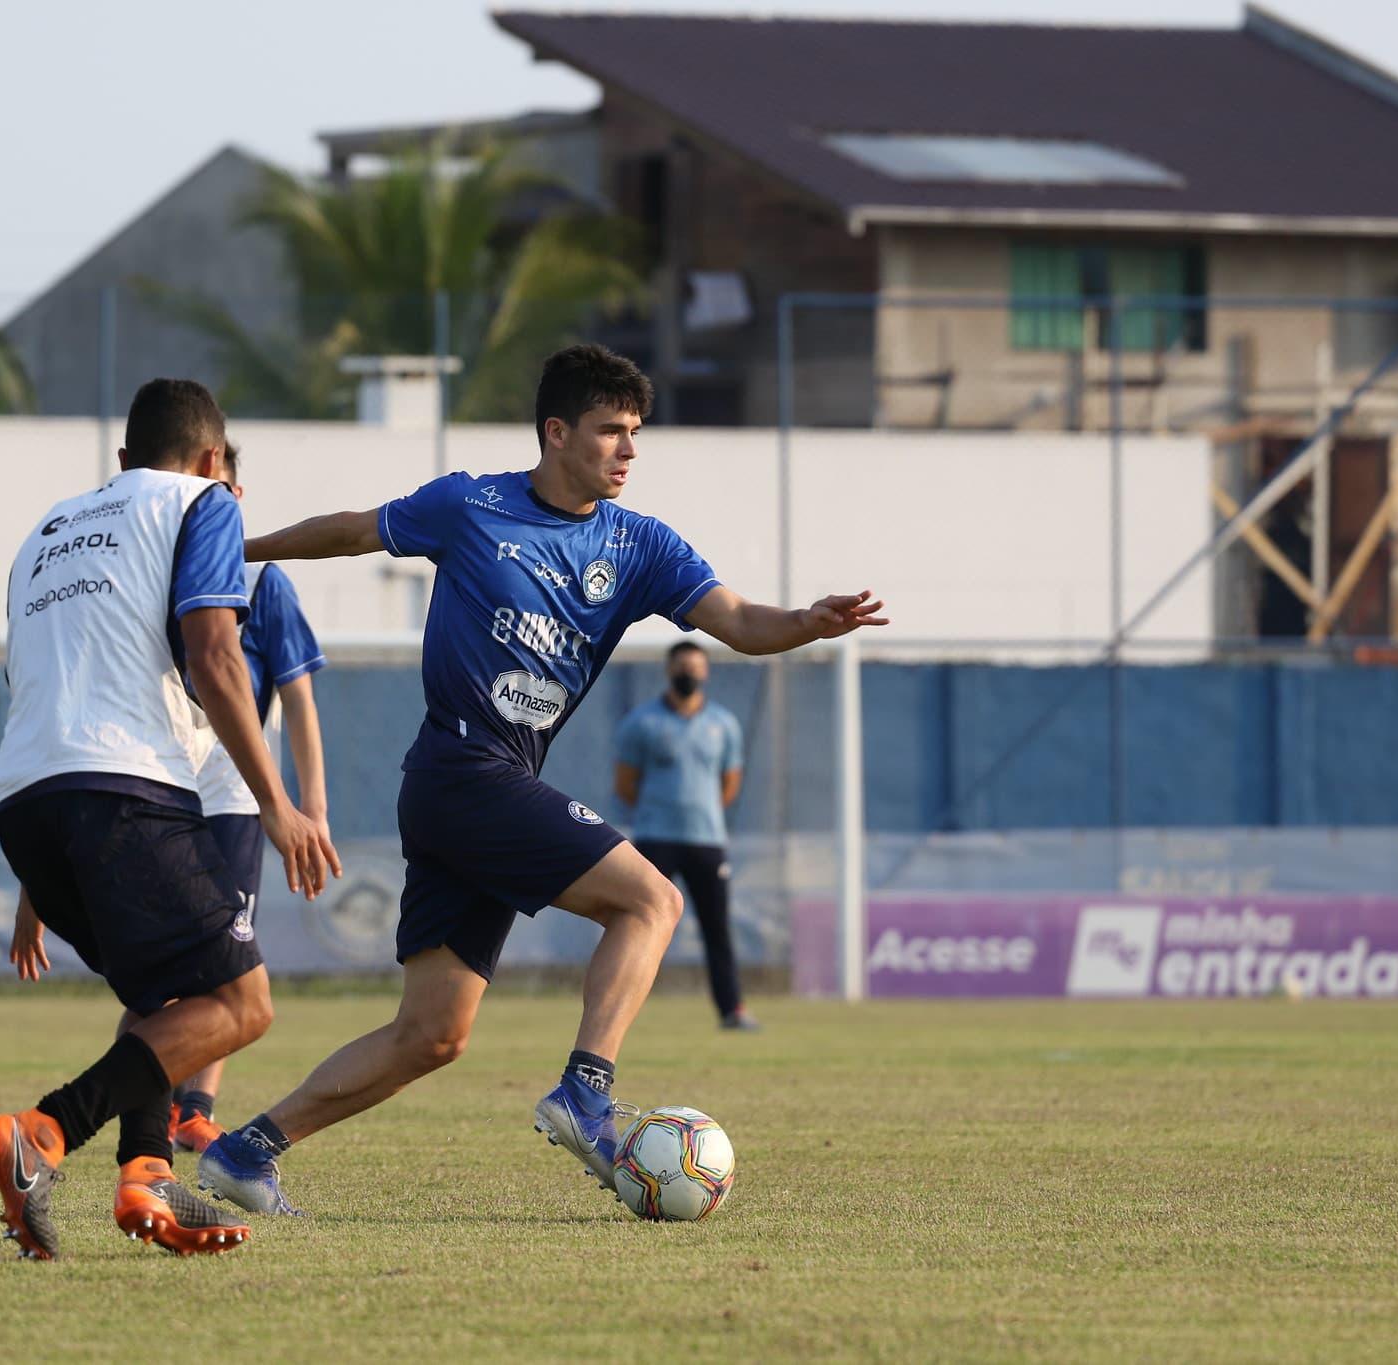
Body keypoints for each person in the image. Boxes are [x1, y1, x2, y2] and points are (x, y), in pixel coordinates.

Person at [194, 344, 887, 1217]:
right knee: (652, 902)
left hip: (487, 783)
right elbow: (351, 528)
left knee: (432, 1034)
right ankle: (586, 1095)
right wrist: (241, 551)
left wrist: (805, 622)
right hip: (458, 769)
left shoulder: (639, 544)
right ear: (556, 432)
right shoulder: (469, 505)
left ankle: (245, 1151)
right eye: (610, 432)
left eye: (636, 434)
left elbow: (740, 621)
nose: (628, 451)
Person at [0, 380, 340, 1260]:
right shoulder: (205, 502)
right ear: (213, 461)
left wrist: (34, 886)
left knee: (163, 998)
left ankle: (145, 1175)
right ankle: (44, 1132)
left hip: (23, 802)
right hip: (126, 788)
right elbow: (216, 654)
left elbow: (36, 686)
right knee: (240, 1005)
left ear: (125, 461)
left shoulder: (45, 533)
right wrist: (278, 802)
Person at [172, 440, 330, 1154]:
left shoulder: (264, 585)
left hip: (236, 799)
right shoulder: (152, 575)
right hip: (158, 794)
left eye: (226, 492)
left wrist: (311, 805)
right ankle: (155, 1098)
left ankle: (194, 1106)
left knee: (228, 961)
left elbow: (298, 700)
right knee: (166, 960)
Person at [614, 640, 757, 1030]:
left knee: (717, 930)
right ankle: (617, 1012)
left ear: (706, 672)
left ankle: (732, 1010)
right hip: (655, 839)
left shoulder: (723, 724)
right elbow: (626, 784)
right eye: (682, 667)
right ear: (668, 670)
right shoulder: (641, 723)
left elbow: (729, 784)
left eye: (695, 668)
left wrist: (700, 813)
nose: (688, 674)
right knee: (640, 924)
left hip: (707, 841)